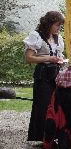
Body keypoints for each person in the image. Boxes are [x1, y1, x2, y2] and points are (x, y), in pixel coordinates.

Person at [24, 11, 65, 141]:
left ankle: (55, 135)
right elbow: (29, 58)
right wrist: (48, 58)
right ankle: (43, 137)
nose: (59, 28)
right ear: (49, 24)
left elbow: (58, 55)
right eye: (57, 25)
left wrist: (60, 59)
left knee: (57, 104)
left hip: (56, 74)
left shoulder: (58, 37)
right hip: (42, 75)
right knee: (43, 105)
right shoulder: (36, 35)